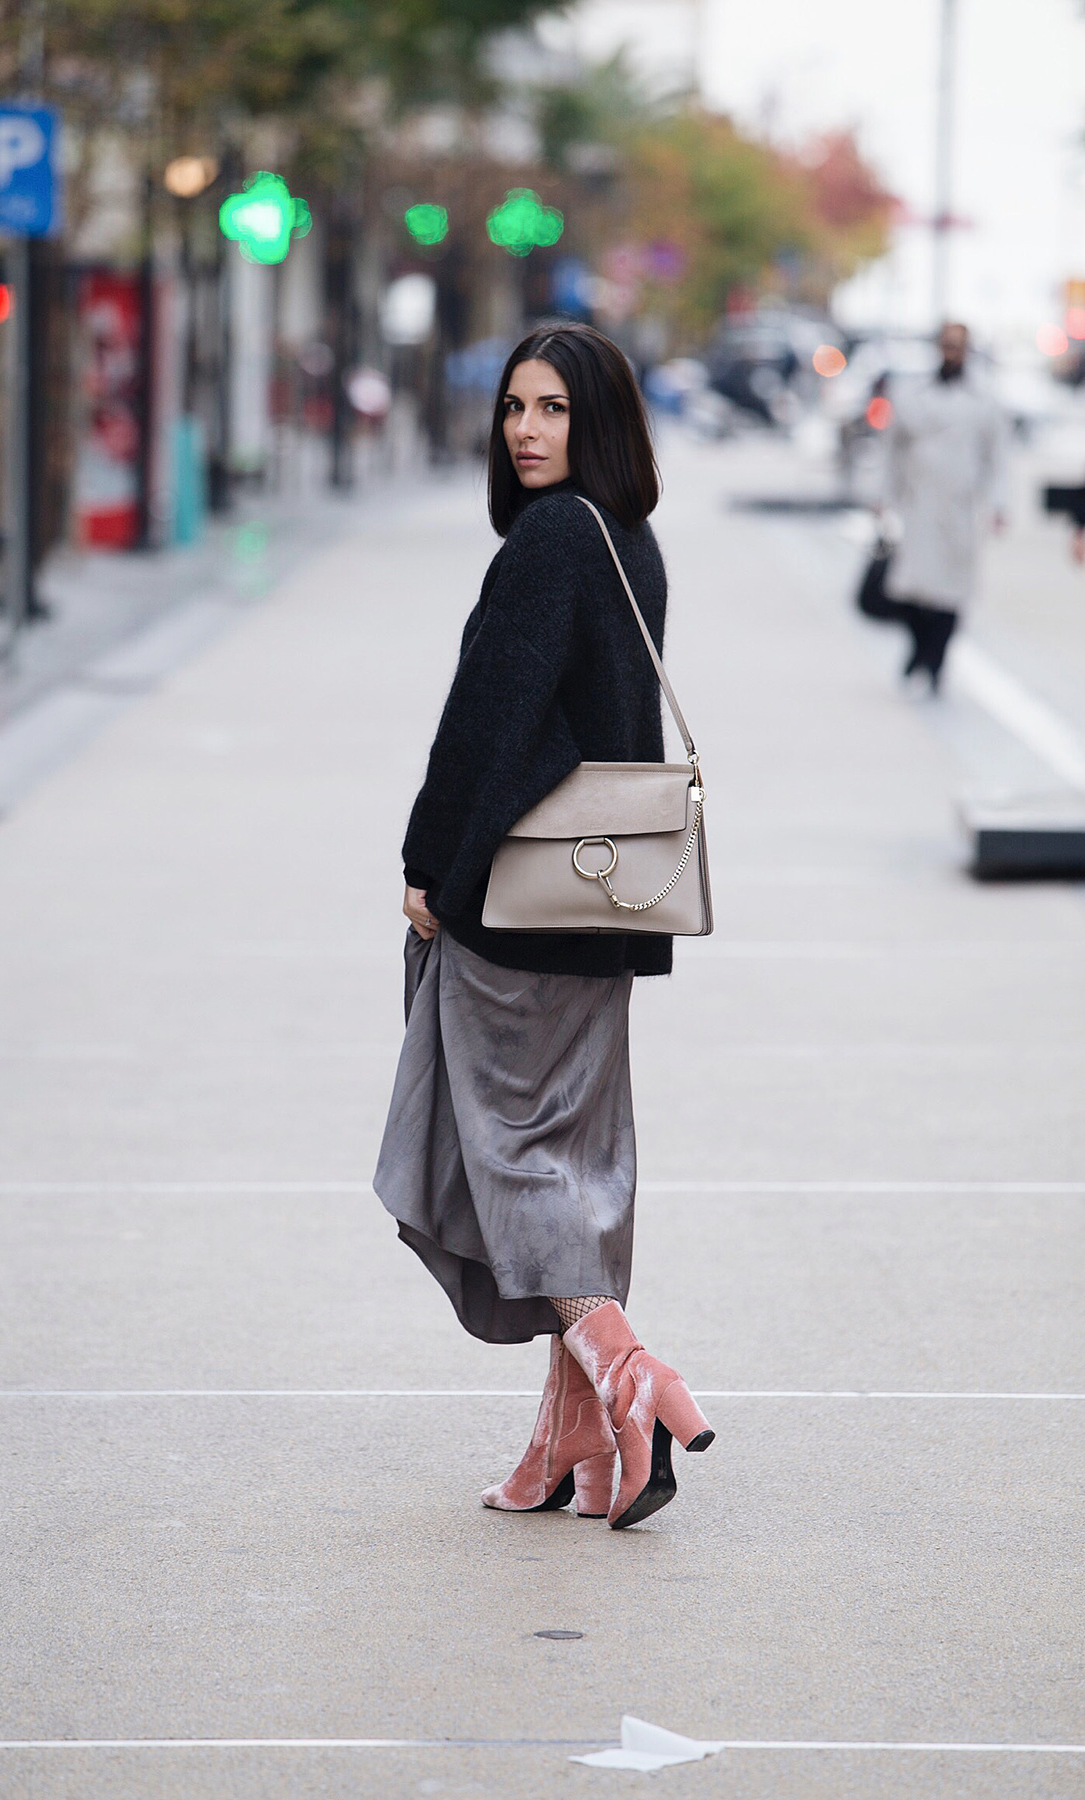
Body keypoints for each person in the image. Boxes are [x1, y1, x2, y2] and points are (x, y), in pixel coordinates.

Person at [373, 322, 714, 1532]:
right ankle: (567, 1446)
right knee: (574, 1167)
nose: (525, 429)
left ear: (600, 421)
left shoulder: (552, 545)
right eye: (514, 405)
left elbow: (489, 731)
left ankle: (635, 1375)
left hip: (517, 914)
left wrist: (431, 871)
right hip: (600, 909)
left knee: (512, 1160)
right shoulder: (627, 543)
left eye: (554, 408)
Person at [877, 321, 1006, 690]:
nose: (951, 352)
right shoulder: (912, 393)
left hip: (960, 506)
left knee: (952, 590)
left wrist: (998, 504)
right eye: (946, 344)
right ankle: (919, 650)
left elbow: (998, 456)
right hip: (919, 503)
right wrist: (883, 496)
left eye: (958, 346)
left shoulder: (985, 399)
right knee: (911, 588)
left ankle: (936, 661)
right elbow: (891, 450)